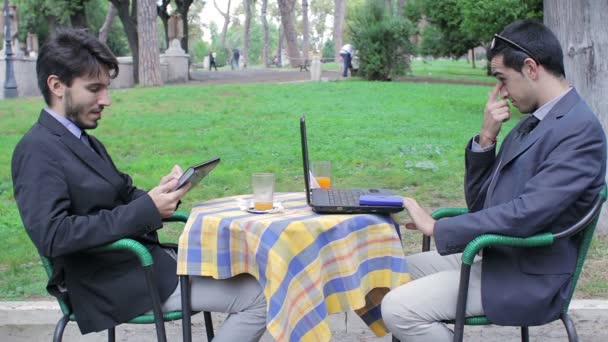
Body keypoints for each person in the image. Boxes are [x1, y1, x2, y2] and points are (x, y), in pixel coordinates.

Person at [11, 28, 266, 341]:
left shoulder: (82, 141)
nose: (106, 100)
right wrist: (147, 208)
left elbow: (124, 193)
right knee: (260, 297)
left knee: (257, 275)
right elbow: (53, 235)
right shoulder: (36, 150)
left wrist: (162, 193)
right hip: (111, 283)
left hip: (138, 266)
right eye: (94, 89)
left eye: (106, 88)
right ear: (57, 85)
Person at [381, 19, 606, 342]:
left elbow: (528, 214)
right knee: (383, 275)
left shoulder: (579, 131)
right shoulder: (534, 122)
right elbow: (481, 203)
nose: (500, 92)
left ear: (530, 68)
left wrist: (437, 228)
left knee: (397, 308)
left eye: (503, 79)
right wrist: (487, 137)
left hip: (527, 276)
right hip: (498, 256)